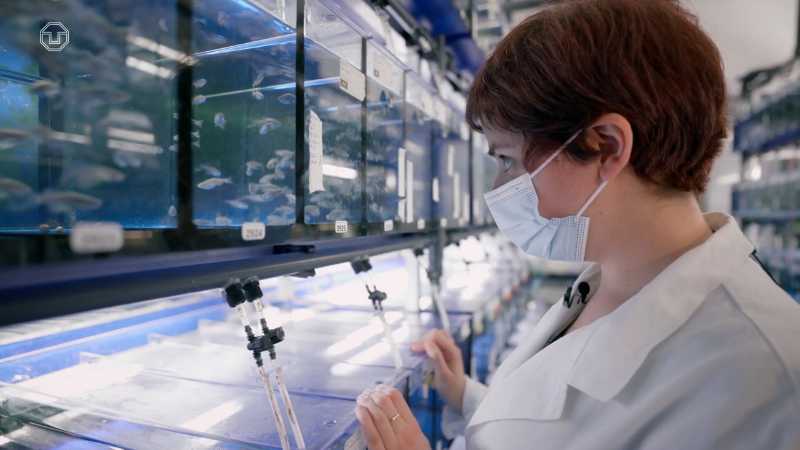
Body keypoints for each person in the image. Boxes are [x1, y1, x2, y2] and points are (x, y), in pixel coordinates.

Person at [354, 0, 800, 449]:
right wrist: (467, 397)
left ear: (606, 146)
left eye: (508, 159)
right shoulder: (611, 278)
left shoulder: (769, 385)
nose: (498, 187)